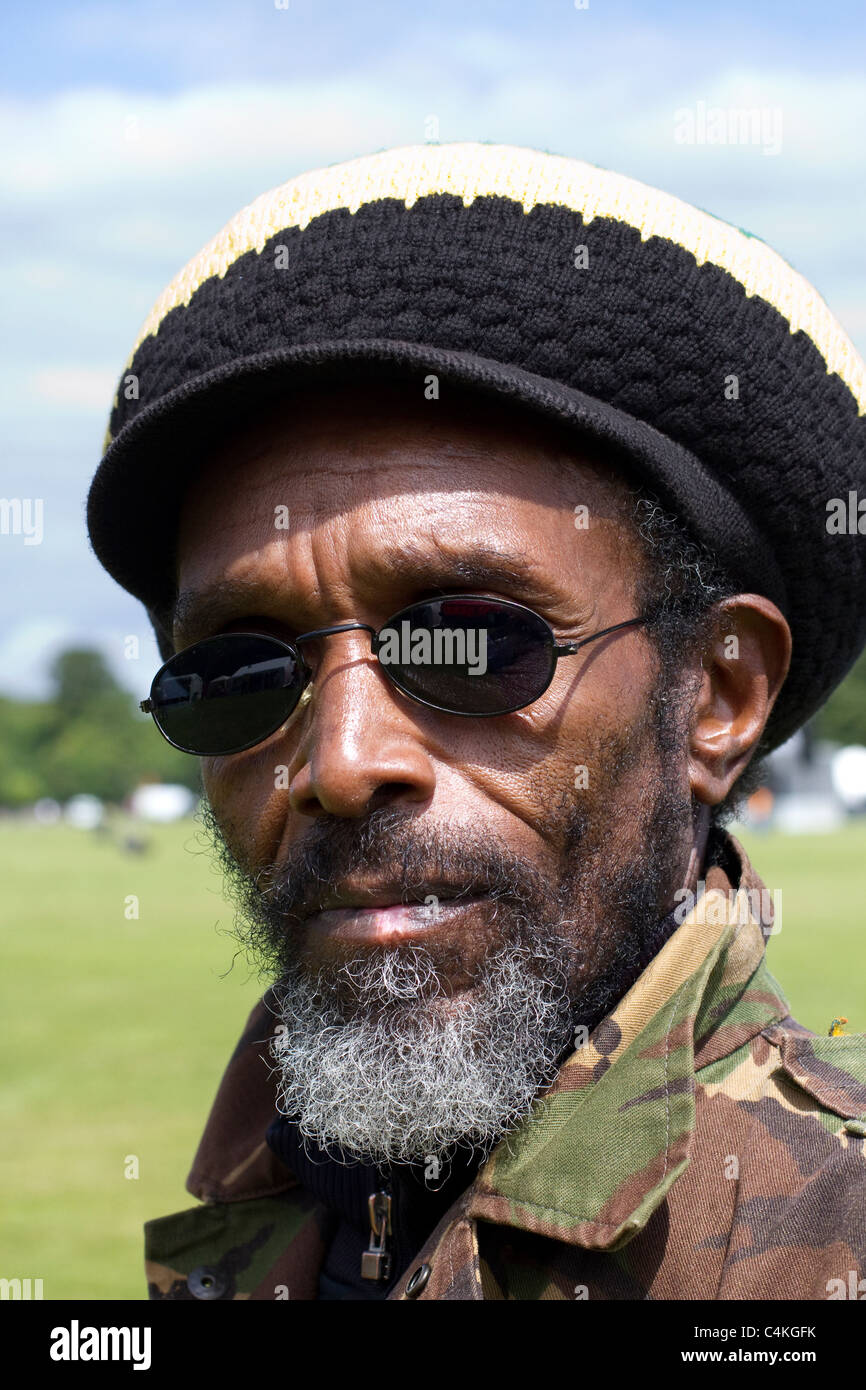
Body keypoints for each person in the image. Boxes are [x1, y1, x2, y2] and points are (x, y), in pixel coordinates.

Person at [86, 142, 866, 1301]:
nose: (341, 762)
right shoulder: (270, 1208)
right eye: (243, 671)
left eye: (474, 642)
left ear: (716, 694)